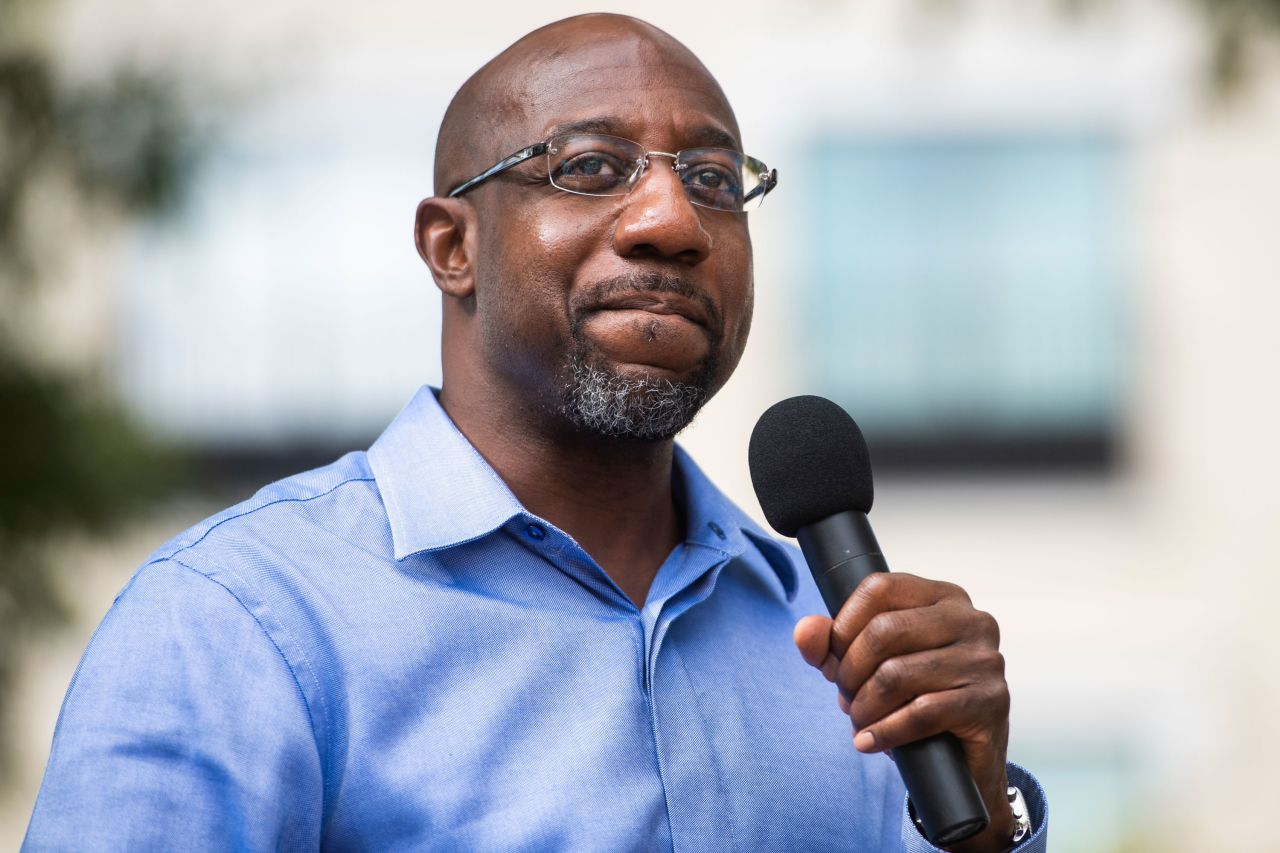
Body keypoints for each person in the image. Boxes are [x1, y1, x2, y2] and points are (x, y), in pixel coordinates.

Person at [25, 14, 1047, 852]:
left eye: (713, 179)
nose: (674, 223)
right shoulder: (237, 621)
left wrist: (978, 819)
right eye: (591, 168)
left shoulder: (838, 650)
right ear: (450, 246)